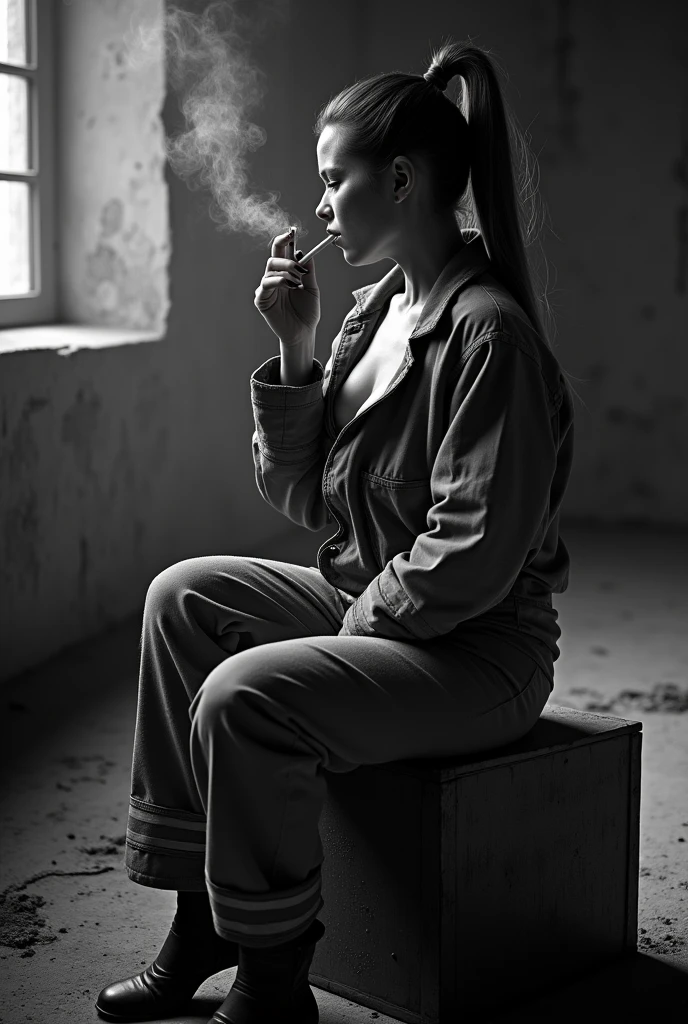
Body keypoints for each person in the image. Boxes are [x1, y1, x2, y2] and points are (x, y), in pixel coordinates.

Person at [96, 39, 575, 1024]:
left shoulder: (489, 337)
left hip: (479, 653)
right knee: (180, 597)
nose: (316, 207)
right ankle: (203, 923)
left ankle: (273, 982)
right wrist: (297, 345)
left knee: (245, 697)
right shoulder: (370, 316)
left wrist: (345, 631)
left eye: (331, 180)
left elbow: (473, 553)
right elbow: (311, 499)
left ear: (399, 180)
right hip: (387, 611)